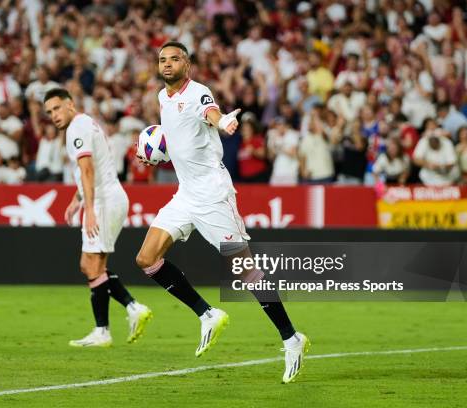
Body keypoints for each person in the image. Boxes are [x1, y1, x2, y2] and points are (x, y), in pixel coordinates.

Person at [135, 42, 308, 383]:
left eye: (175, 59)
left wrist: (223, 121)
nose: (167, 64)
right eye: (162, 60)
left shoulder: (199, 92)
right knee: (146, 258)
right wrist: (157, 155)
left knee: (245, 272)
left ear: (188, 64)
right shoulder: (162, 97)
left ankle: (292, 338)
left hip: (213, 194)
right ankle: (208, 314)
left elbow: (210, 112)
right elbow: (184, 140)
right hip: (185, 193)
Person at [43, 88, 152, 347]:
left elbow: (88, 168)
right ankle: (121, 317)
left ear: (70, 104)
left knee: (91, 266)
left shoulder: (76, 129)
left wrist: (89, 209)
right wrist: (76, 200)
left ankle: (115, 321)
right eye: (49, 112)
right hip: (108, 198)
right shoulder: (85, 123)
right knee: (91, 266)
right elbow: (93, 171)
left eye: (57, 108)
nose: (54, 115)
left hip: (103, 203)